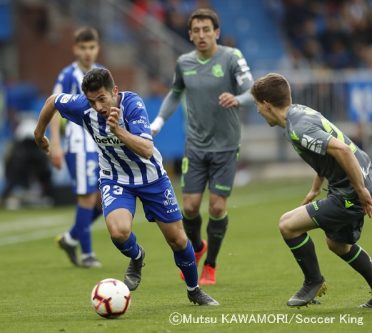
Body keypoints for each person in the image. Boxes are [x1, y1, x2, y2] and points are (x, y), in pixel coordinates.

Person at [34, 68, 219, 305]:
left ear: (115, 91)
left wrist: (118, 130)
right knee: (118, 232)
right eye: (92, 101)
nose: (98, 106)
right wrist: (39, 134)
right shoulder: (83, 107)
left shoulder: (132, 104)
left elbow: (146, 149)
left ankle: (194, 291)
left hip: (152, 178)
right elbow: (53, 101)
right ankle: (137, 255)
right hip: (116, 178)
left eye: (102, 99)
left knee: (179, 241)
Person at [150, 8, 254, 285]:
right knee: (191, 206)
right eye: (196, 30)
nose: (201, 35)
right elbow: (174, 94)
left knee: (217, 208)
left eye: (206, 29)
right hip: (195, 146)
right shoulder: (184, 62)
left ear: (216, 32)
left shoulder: (232, 57)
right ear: (190, 35)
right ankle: (197, 247)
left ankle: (211, 265)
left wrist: (238, 99)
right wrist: (158, 121)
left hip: (225, 146)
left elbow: (251, 89)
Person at [251, 73, 372, 308]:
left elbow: (343, 151)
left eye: (257, 105)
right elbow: (327, 155)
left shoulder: (299, 128)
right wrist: (315, 188)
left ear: (266, 104)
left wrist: (361, 191)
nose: (257, 110)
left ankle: (313, 281)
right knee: (338, 244)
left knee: (287, 224)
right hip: (354, 181)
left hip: (351, 190)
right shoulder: (299, 112)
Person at [49, 27, 103, 268]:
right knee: (87, 198)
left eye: (91, 47)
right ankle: (88, 253)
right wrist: (56, 144)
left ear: (97, 48)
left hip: (100, 144)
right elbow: (52, 107)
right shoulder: (67, 75)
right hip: (79, 143)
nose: (88, 52)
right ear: (75, 49)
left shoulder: (101, 75)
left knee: (103, 201)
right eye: (83, 48)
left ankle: (71, 238)